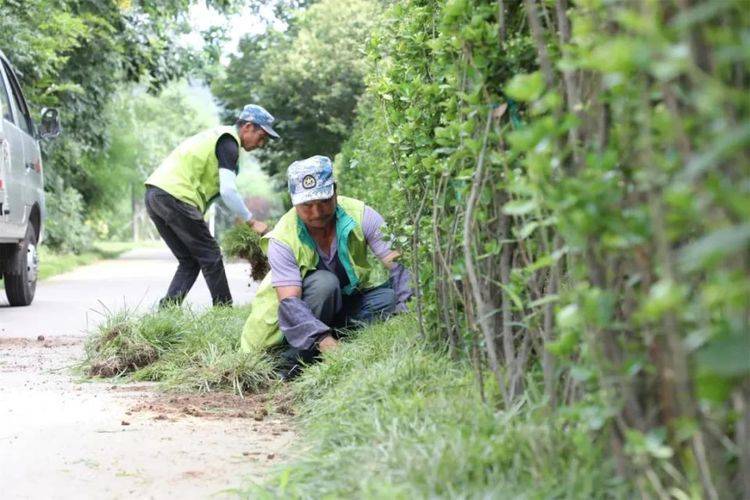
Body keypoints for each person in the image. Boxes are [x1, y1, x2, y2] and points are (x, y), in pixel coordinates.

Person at [239, 155, 412, 379]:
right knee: (325, 284)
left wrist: (407, 314)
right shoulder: (283, 238)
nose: (317, 213)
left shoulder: (361, 215)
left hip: (342, 306)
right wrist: (324, 341)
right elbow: (290, 305)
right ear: (293, 201)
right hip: (292, 324)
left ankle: (331, 343)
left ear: (335, 192)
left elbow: (399, 265)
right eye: (307, 205)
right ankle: (292, 361)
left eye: (324, 201)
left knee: (389, 298)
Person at [144, 104, 279, 307]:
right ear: (248, 127)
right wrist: (251, 221)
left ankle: (167, 310)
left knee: (189, 260)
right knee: (211, 255)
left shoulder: (218, 137)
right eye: (262, 137)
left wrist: (238, 213)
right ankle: (224, 310)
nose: (262, 144)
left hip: (155, 194)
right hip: (176, 196)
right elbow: (228, 191)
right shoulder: (228, 143)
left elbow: (219, 191)